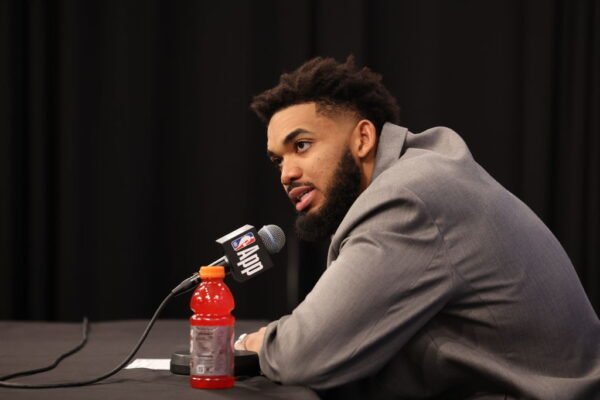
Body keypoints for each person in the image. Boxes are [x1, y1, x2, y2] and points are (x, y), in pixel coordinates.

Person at [234, 56, 600, 399]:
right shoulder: (422, 172)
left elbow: (303, 355)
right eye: (278, 161)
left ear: (363, 139)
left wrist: (259, 343)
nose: (286, 174)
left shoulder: (406, 199)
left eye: (302, 145)